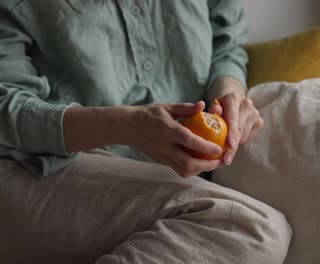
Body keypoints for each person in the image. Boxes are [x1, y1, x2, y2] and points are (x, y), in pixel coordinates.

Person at [0, 1, 292, 263]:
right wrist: (124, 126)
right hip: (43, 165)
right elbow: (6, 108)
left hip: (173, 178)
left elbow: (226, 42)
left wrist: (229, 94)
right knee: (255, 230)